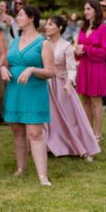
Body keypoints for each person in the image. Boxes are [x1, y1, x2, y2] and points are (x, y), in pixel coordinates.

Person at [0, 5, 55, 186]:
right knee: (17, 131)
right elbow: (6, 64)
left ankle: (42, 176)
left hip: (34, 92)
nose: (18, 17)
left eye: (21, 14)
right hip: (15, 91)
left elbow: (50, 72)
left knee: (35, 133)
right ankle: (21, 168)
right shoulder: (14, 42)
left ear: (31, 18)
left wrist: (32, 69)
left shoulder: (43, 43)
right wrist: (2, 69)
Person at [43, 16, 100, 161]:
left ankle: (81, 147)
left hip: (62, 86)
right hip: (46, 85)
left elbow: (71, 68)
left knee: (70, 119)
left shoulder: (66, 46)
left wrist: (69, 82)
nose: (46, 27)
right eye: (47, 24)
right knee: (48, 119)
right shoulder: (43, 44)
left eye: (50, 24)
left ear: (60, 28)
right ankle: (50, 145)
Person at [75, 0, 106, 142]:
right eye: (84, 9)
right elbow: (78, 48)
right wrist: (77, 51)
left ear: (96, 10)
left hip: (96, 68)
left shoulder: (103, 29)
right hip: (84, 67)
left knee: (96, 101)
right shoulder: (82, 28)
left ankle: (98, 133)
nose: (85, 12)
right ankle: (88, 132)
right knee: (85, 100)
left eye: (88, 9)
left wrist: (86, 49)